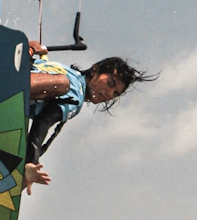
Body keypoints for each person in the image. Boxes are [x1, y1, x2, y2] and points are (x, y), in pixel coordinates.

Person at [23, 41, 155, 191]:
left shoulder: (67, 70)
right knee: (61, 83)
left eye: (115, 93)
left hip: (10, 68)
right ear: (95, 70)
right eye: (111, 84)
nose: (109, 94)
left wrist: (30, 50)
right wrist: (31, 162)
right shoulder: (75, 95)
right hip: (10, 85)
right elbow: (44, 121)